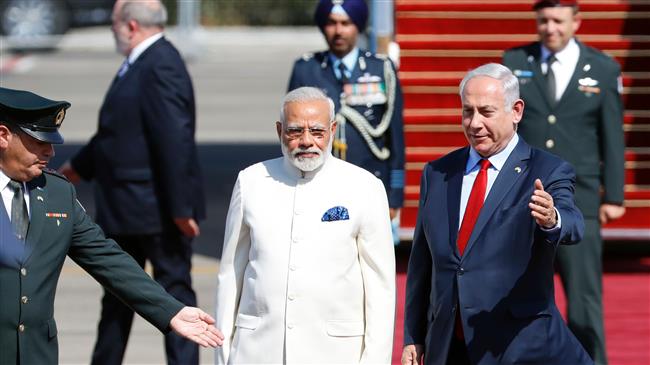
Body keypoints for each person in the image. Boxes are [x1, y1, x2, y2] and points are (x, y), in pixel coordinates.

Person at [0, 86, 223, 365]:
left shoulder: (57, 194)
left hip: (36, 356)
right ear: (3, 136)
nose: (50, 152)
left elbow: (106, 257)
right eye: (38, 142)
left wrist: (171, 311)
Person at [401, 63, 593, 365]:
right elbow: (423, 264)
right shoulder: (437, 173)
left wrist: (552, 218)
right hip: (450, 345)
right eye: (467, 111)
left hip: (517, 346)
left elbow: (573, 224)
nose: (474, 123)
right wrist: (413, 335)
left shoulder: (546, 170)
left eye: (486, 112)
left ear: (516, 111)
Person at [58, 0, 206, 364]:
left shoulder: (161, 64)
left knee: (174, 298)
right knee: (118, 297)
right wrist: (77, 168)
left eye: (114, 22)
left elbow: (174, 141)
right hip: (128, 211)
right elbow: (118, 132)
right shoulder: (139, 63)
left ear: (132, 26)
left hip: (158, 213)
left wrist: (181, 208)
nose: (112, 29)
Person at [215, 87, 396, 364]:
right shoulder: (251, 181)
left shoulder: (364, 187)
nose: (307, 141)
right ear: (279, 131)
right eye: (295, 131)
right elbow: (231, 274)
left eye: (317, 131)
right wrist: (223, 353)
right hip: (257, 350)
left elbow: (380, 287)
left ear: (333, 130)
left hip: (335, 354)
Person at [502, 1, 625, 363]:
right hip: (524, 196)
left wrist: (613, 194)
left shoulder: (602, 68)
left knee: (584, 299)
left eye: (558, 20)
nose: (550, 28)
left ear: (576, 22)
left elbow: (611, 134)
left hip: (579, 200)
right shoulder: (514, 62)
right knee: (516, 294)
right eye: (543, 20)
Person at [287, 0, 405, 227]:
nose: (339, 30)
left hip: (370, 182)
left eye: (346, 23)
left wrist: (395, 194)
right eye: (331, 23)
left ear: (358, 26)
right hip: (317, 184)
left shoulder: (381, 68)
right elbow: (291, 131)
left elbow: (396, 138)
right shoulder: (305, 69)